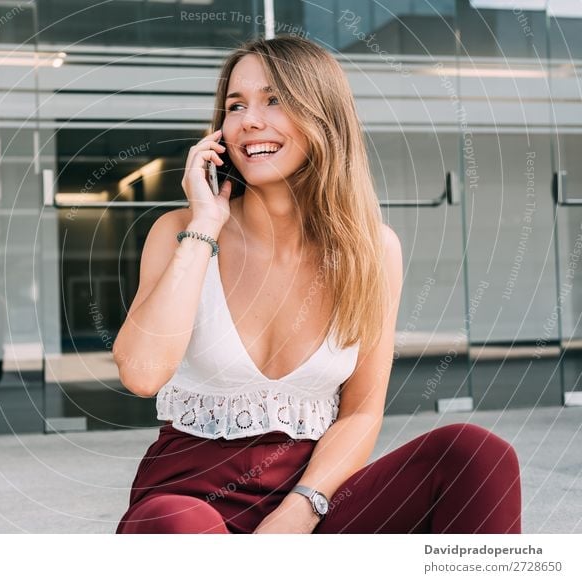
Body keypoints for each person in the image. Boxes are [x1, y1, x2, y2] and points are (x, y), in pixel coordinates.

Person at [112, 35, 521, 534]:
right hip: (190, 501)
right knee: (174, 523)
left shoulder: (373, 250)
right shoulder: (180, 232)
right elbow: (142, 374)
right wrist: (203, 227)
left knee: (474, 455)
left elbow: (361, 413)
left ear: (322, 117)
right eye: (235, 105)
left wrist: (300, 510)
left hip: (314, 501)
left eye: (274, 100)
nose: (249, 120)